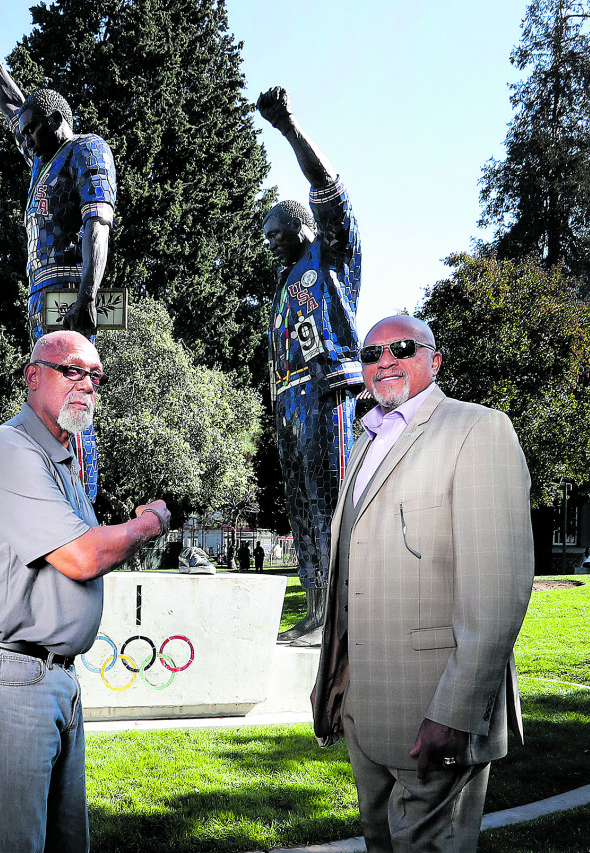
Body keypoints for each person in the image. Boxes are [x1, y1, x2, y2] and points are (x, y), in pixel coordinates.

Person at [312, 314, 534, 853]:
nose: (384, 361)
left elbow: (498, 592)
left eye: (402, 349)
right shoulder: (366, 442)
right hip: (367, 713)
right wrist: (334, 677)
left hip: (436, 716)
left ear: (434, 361)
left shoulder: (479, 430)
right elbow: (350, 575)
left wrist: (456, 714)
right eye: (371, 354)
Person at [0, 330, 170, 852]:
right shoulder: (7, 450)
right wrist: (149, 523)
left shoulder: (64, 461)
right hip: (9, 677)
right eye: (71, 370)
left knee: (65, 843)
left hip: (52, 678)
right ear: (32, 375)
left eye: (95, 376)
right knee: (14, 844)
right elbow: (83, 556)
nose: (86, 385)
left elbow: (86, 551)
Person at [0, 8, 117, 502]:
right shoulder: (40, 164)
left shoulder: (85, 149)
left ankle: (80, 498)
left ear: (55, 119)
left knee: (72, 394)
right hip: (40, 293)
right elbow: (11, 101)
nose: (24, 139)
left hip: (72, 288)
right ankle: (52, 494)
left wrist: (89, 295)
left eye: (31, 130)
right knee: (43, 398)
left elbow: (99, 220)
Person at [256, 86, 364, 646]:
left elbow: (329, 189)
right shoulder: (280, 286)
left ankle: (342, 614)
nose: (271, 242)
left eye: (278, 231)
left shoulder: (331, 254)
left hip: (326, 392)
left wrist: (289, 128)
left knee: (331, 503)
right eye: (266, 235)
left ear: (303, 227)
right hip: (288, 401)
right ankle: (317, 609)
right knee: (302, 511)